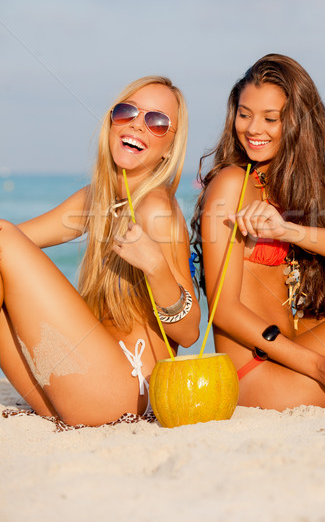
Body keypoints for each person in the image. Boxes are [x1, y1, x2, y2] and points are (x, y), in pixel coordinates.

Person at [192, 54, 325, 411]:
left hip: (299, 339)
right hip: (262, 373)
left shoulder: (298, 184)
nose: (254, 129)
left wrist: (289, 230)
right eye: (245, 114)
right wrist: (318, 366)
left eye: (271, 118)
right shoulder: (231, 184)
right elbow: (224, 310)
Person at [0, 76, 200, 426]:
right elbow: (21, 241)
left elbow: (188, 332)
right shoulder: (98, 198)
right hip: (73, 390)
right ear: (111, 122)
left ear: (169, 147)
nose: (138, 123)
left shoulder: (156, 207)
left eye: (156, 121)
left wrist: (155, 267)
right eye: (127, 112)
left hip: (123, 394)